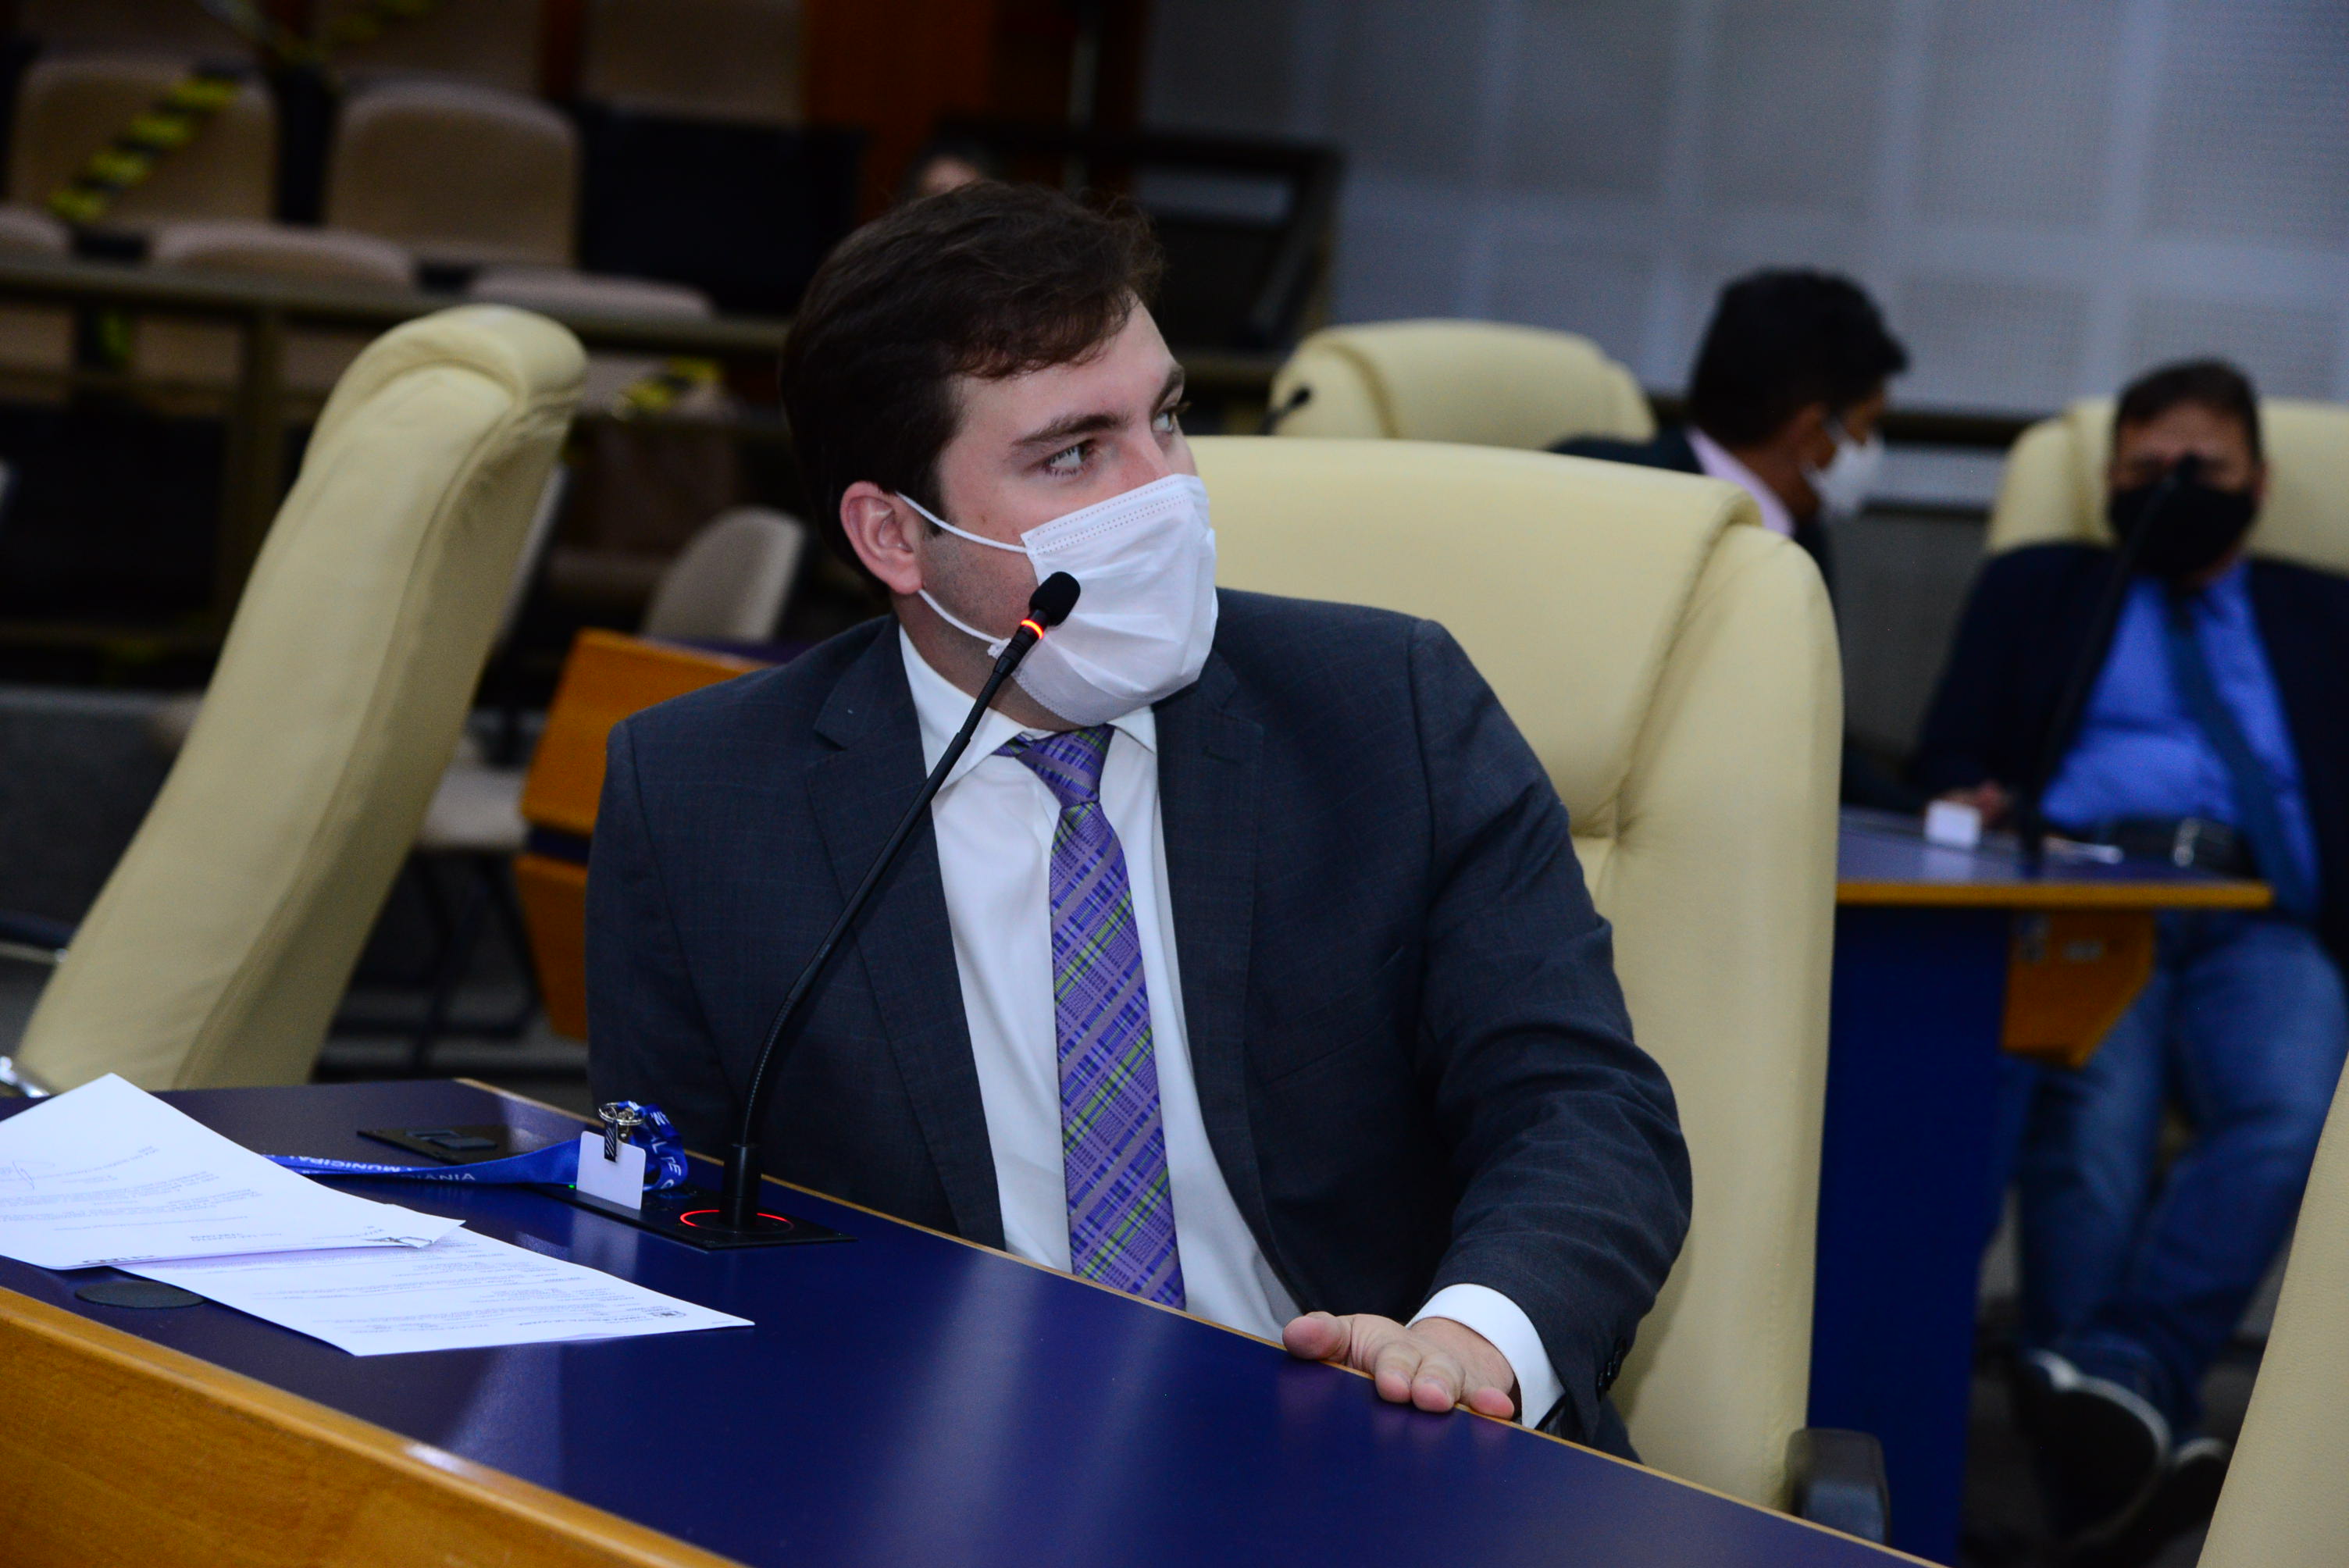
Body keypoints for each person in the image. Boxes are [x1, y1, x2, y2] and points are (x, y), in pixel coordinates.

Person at [586, 184, 1690, 1451]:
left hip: (1364, 1452)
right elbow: (670, 1223)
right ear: (893, 534)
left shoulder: (1388, 713)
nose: (1164, 491)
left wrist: (1464, 1347)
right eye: (1074, 453)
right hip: (932, 1468)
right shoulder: (701, 795)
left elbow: (1583, 1111)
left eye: (1165, 419)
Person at [1916, 359, 2349, 1562]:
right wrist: (1977, 801)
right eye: (2145, 465)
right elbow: (1946, 753)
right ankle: (2096, 1488)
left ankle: (2124, 1375)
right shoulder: (2043, 585)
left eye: (2200, 465)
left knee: (2292, 1113)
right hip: (2095, 898)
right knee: (2093, 1150)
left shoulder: (2324, 610)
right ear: (2108, 477)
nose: (2171, 485)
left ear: (2259, 481)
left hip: (2269, 912)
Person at [1554, 268, 1909, 594]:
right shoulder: (1586, 491)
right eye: (1867, 424)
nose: (1870, 444)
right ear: (1811, 431)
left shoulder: (1802, 543)